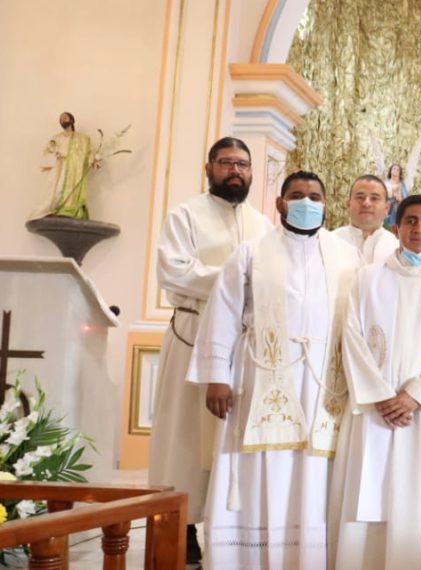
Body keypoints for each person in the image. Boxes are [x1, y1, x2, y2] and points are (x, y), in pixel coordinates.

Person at [188, 170, 356, 569]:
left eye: (315, 196)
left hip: (322, 385)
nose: (306, 202)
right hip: (260, 379)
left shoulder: (345, 256)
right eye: (297, 195)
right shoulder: (250, 252)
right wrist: (217, 376)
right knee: (259, 468)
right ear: (279, 204)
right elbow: (224, 313)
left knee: (314, 477)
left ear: (326, 204)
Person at [329, 195, 421, 570]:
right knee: (369, 497)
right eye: (410, 221)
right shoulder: (368, 278)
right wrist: (380, 396)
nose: (418, 230)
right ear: (396, 227)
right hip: (374, 413)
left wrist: (414, 396)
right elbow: (353, 339)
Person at [149, 136, 271, 563]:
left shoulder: (263, 224)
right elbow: (174, 271)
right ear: (209, 168)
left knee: (231, 440)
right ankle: (179, 527)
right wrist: (237, 276)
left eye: (242, 164)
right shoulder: (186, 215)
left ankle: (228, 525)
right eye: (226, 163)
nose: (235, 171)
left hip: (243, 346)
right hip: (193, 335)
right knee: (182, 438)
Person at [333, 174, 399, 264]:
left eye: (374, 198)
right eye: (360, 197)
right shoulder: (330, 242)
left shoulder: (397, 248)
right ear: (348, 204)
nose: (366, 203)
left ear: (386, 208)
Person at [384, 164, 408, 228]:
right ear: (390, 171)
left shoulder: (402, 185)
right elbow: (383, 196)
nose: (395, 171)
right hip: (387, 210)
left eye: (398, 170)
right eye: (394, 169)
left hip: (398, 210)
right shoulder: (385, 183)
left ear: (400, 173)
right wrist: (393, 192)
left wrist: (400, 199)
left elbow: (406, 200)